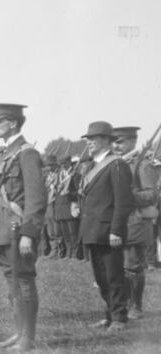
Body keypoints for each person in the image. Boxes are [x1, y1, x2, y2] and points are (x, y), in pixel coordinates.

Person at [0, 103, 46, 351]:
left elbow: (36, 198)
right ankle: (19, 332)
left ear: (13, 123)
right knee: (11, 281)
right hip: (0, 226)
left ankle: (28, 338)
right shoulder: (3, 154)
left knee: (23, 280)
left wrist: (29, 233)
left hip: (17, 228)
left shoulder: (26, 153)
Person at [76, 121, 133, 331]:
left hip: (109, 231)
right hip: (92, 229)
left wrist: (117, 230)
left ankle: (119, 317)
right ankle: (109, 315)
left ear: (107, 141)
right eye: (88, 139)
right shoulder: (91, 165)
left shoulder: (117, 164)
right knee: (101, 278)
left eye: (94, 138)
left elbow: (123, 201)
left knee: (114, 276)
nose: (89, 143)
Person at [112, 126, 159, 320]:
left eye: (120, 141)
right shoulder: (117, 163)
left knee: (132, 266)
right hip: (118, 222)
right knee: (119, 267)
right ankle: (122, 305)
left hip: (135, 222)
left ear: (132, 141)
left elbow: (152, 194)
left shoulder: (142, 164)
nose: (116, 145)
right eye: (114, 141)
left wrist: (130, 195)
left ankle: (135, 307)